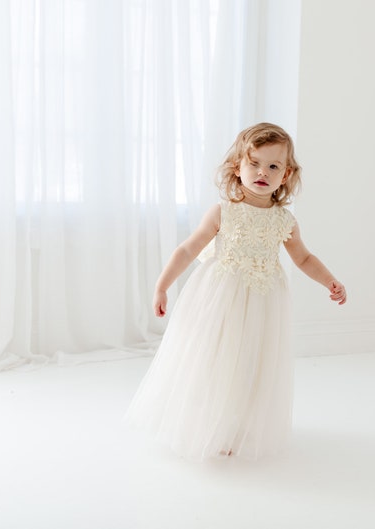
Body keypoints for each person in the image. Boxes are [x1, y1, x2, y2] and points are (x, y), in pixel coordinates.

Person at [124, 122, 346, 461]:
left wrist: (329, 280)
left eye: (273, 166)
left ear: (285, 175)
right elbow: (187, 249)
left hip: (263, 301)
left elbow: (303, 257)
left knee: (251, 364)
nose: (263, 172)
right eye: (254, 163)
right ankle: (207, 424)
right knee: (214, 360)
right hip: (221, 299)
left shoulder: (284, 221)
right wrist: (162, 285)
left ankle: (238, 426)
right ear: (237, 167)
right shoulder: (223, 212)